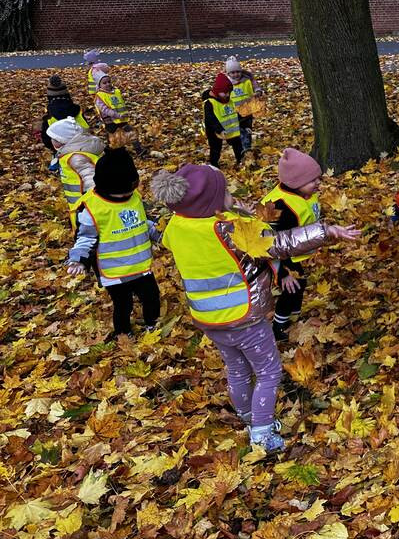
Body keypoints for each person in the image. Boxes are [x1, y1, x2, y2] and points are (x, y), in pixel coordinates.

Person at [153, 163, 356, 453]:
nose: (231, 194)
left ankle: (248, 417)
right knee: (269, 372)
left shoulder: (178, 225)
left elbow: (183, 236)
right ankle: (261, 434)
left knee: (237, 368)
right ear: (212, 203)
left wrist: (238, 213)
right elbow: (279, 243)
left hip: (209, 319)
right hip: (245, 318)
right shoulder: (229, 229)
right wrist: (326, 231)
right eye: (225, 192)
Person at [67, 148, 161, 337]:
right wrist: (78, 260)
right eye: (121, 193)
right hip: (114, 272)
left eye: (129, 191)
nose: (126, 196)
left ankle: (152, 324)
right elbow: (85, 238)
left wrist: (160, 234)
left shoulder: (134, 196)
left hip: (141, 265)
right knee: (123, 304)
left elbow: (143, 221)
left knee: (151, 297)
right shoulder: (92, 208)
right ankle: (123, 333)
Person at [260, 148, 348, 340]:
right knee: (291, 287)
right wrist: (283, 273)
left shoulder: (305, 193)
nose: (318, 183)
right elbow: (274, 244)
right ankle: (279, 326)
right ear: (295, 183)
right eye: (312, 181)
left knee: (300, 283)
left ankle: (293, 316)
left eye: (318, 178)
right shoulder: (281, 207)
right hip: (278, 257)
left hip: (294, 252)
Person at [46, 118, 105, 228]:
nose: (51, 141)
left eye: (53, 138)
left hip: (86, 203)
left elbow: (90, 178)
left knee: (85, 226)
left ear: (62, 140)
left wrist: (93, 198)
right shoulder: (68, 153)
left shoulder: (76, 158)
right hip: (78, 202)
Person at [40, 75, 89, 162]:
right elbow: (86, 126)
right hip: (83, 147)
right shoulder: (77, 110)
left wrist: (52, 148)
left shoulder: (50, 116)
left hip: (61, 151)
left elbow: (46, 138)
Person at [203, 73, 244, 168]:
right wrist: (219, 130)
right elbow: (210, 119)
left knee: (237, 144)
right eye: (224, 93)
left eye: (229, 92)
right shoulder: (209, 103)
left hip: (231, 128)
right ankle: (214, 164)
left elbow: (235, 113)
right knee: (215, 147)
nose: (227, 95)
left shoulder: (229, 100)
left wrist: (243, 125)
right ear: (217, 91)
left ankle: (240, 160)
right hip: (214, 130)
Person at [225, 57, 261, 154]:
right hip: (234, 112)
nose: (236, 74)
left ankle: (247, 146)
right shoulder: (226, 83)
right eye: (232, 73)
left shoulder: (247, 80)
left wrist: (258, 92)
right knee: (236, 129)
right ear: (228, 74)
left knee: (247, 128)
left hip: (247, 110)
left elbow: (255, 86)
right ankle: (237, 144)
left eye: (238, 72)